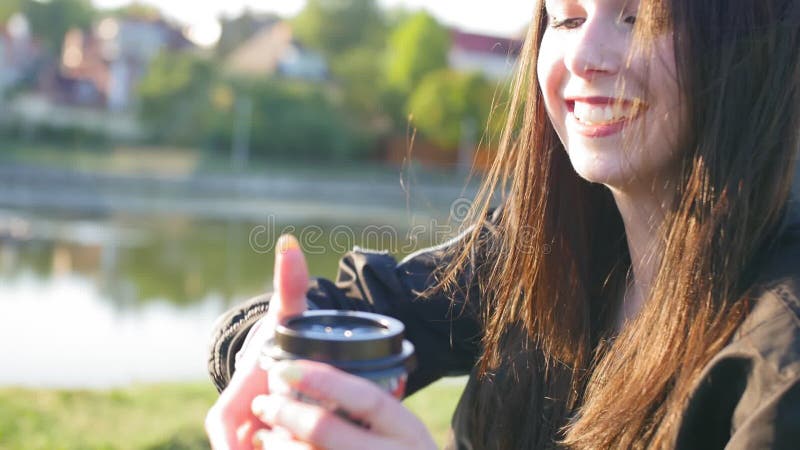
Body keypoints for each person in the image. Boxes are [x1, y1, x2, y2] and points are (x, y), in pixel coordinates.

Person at [205, 0, 800, 448]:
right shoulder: (539, 248)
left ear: (751, 42)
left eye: (636, 17)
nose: (585, 58)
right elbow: (362, 309)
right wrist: (274, 355)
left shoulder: (781, 356)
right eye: (566, 17)